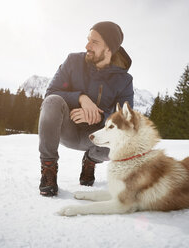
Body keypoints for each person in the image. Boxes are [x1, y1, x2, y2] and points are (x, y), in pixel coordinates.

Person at [38, 21, 134, 196]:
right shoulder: (73, 61)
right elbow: (50, 92)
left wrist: (101, 117)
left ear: (109, 49)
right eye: (88, 40)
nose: (87, 46)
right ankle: (48, 170)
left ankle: (90, 161)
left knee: (123, 139)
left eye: (94, 42)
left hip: (98, 140)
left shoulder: (124, 80)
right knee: (52, 101)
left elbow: (126, 121)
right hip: (68, 129)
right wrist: (81, 98)